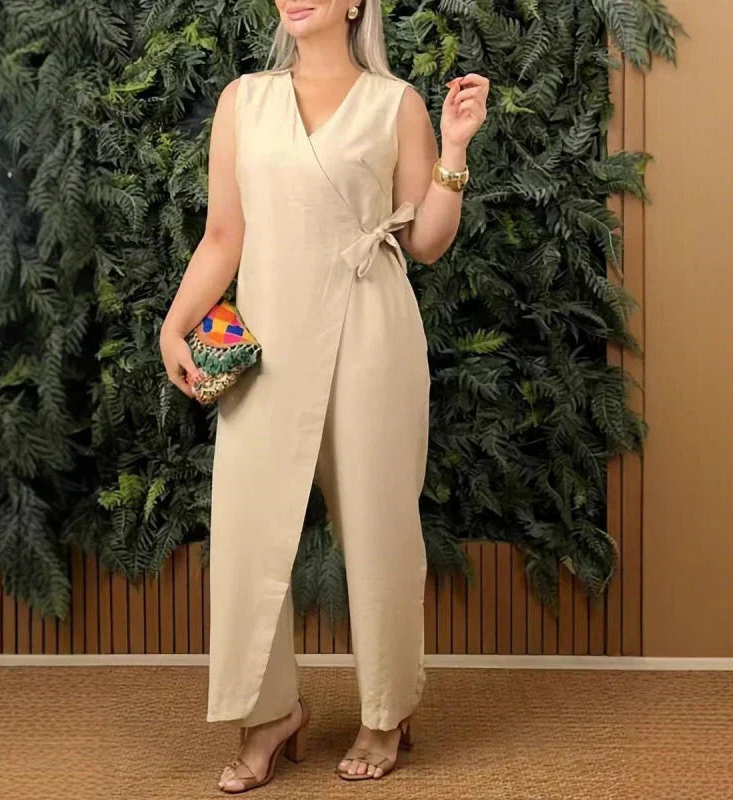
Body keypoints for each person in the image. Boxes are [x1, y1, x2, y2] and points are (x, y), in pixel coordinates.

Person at [159, 0, 488, 793]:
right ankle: (269, 714)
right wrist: (174, 325)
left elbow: (426, 242)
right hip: (267, 342)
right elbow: (224, 235)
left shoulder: (395, 103)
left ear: (355, 2)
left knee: (378, 530)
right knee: (246, 532)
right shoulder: (244, 100)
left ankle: (386, 711)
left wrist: (454, 148)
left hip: (372, 335)